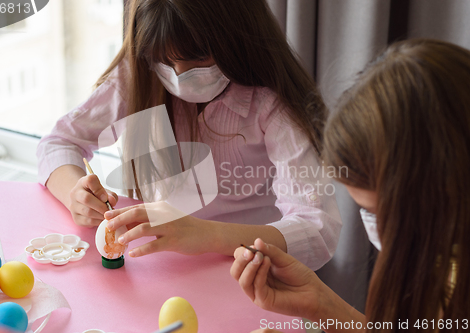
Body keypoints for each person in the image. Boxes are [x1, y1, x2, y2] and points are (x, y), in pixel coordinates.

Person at [37, 0, 341, 267]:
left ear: (237, 38)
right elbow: (58, 143)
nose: (180, 76)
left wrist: (207, 235)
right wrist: (76, 193)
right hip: (163, 269)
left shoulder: (271, 105)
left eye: (198, 59)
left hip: (250, 273)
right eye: (166, 62)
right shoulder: (140, 73)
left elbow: (318, 230)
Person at [231, 39, 470, 332]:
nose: (377, 228)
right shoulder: (445, 258)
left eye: (381, 213)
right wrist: (320, 303)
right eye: (367, 211)